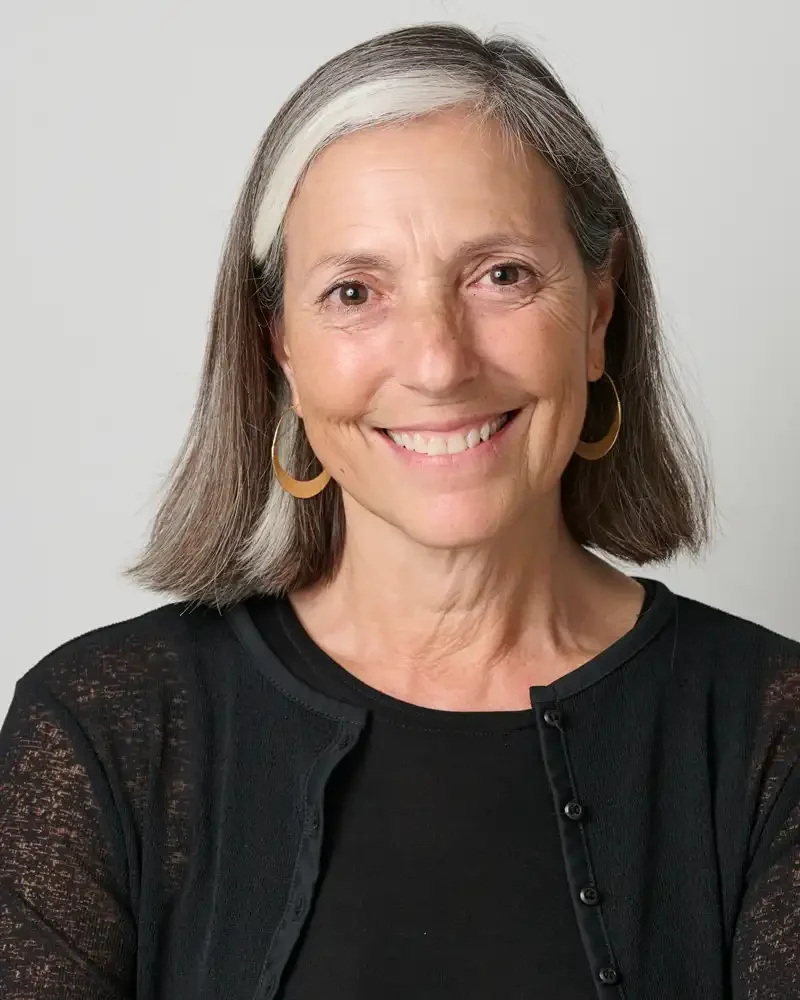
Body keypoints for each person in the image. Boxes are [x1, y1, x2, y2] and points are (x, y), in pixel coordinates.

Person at [1, 21, 797, 1000]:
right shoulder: (104, 727)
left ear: (596, 310)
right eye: (353, 292)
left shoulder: (775, 734)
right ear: (279, 351)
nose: (436, 361)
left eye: (498, 274)